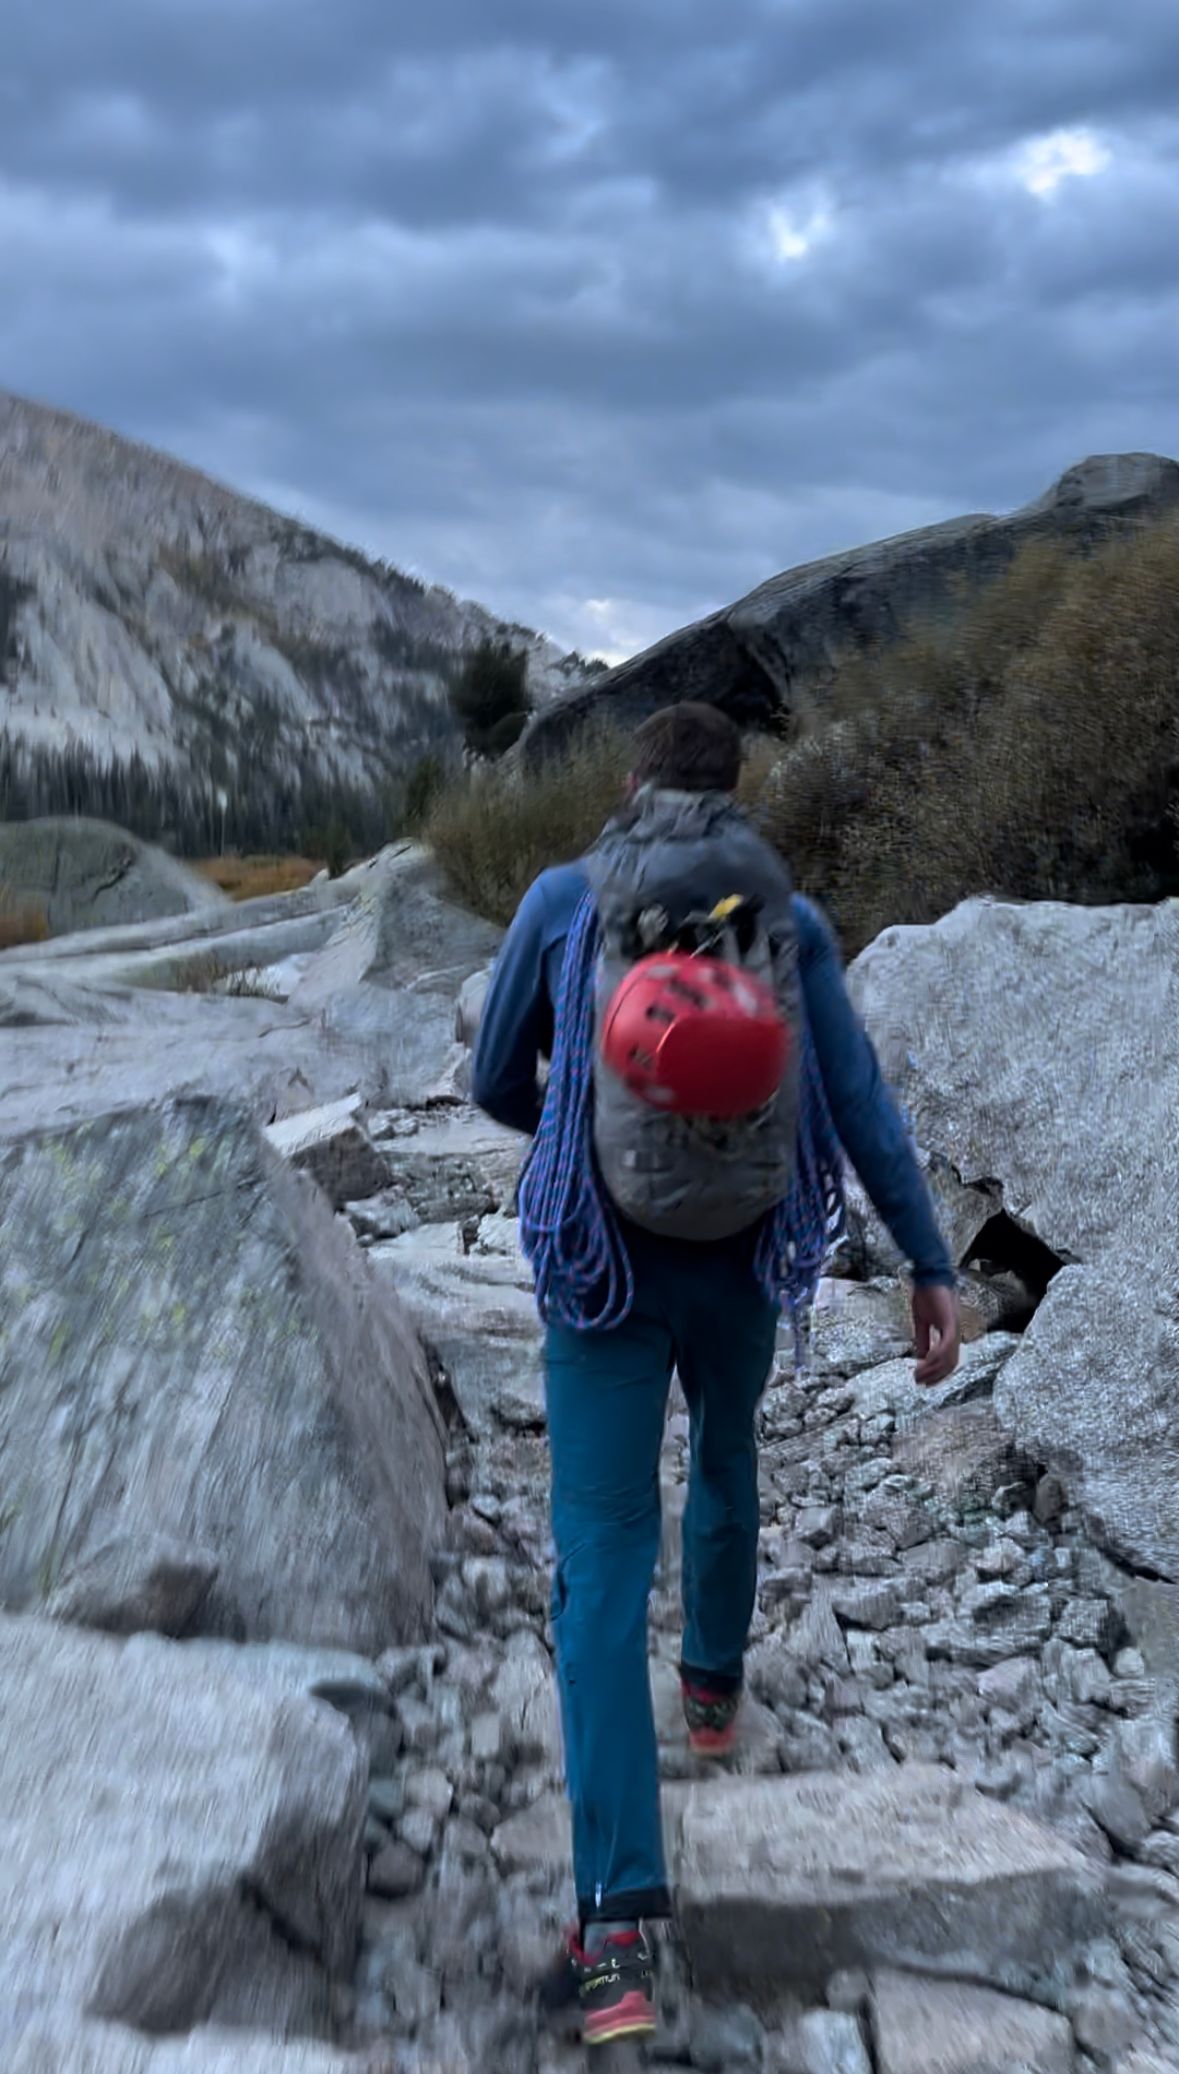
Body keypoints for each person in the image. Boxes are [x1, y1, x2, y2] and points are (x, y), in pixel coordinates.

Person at [471, 701, 959, 2048]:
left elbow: (490, 1076)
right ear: (735, 794)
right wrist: (930, 1262)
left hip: (600, 1268)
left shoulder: (568, 897)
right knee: (729, 1459)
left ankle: (615, 1926)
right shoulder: (785, 918)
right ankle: (712, 1694)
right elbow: (855, 1103)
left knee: (600, 1550)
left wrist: (589, 1111)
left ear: (631, 784)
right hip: (748, 1253)